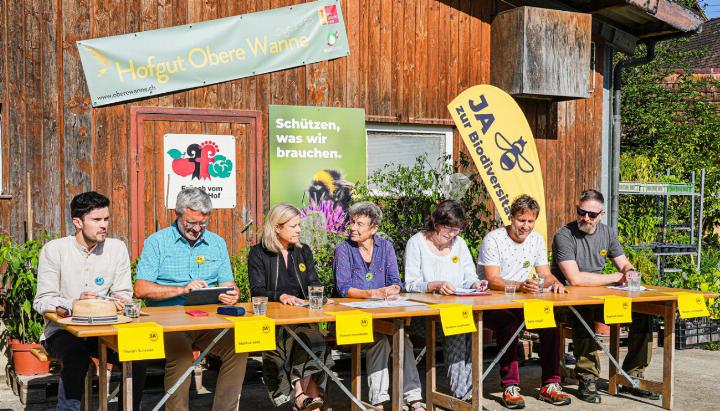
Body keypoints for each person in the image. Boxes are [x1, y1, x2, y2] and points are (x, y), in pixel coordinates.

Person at [134, 187, 247, 411]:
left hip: (209, 320)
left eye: (203, 224)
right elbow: (141, 289)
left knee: (239, 348)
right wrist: (182, 289)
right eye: (191, 223)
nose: (197, 229)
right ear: (178, 214)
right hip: (169, 324)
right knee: (183, 358)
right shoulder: (157, 242)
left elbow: (229, 283)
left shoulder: (217, 242)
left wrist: (233, 293)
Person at [33, 191, 147, 411]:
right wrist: (74, 303)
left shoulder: (116, 248)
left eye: (106, 219)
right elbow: (42, 301)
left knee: (138, 353)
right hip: (63, 330)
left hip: (107, 329)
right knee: (77, 357)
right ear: (77, 222)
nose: (103, 225)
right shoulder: (55, 250)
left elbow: (124, 292)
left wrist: (118, 300)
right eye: (96, 220)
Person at [551, 189, 656, 403]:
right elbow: (575, 278)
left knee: (644, 313)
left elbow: (623, 263)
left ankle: (631, 376)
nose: (585, 218)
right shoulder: (564, 235)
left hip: (599, 298)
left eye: (591, 214)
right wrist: (617, 277)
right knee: (584, 313)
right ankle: (587, 379)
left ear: (602, 215)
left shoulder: (607, 233)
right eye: (581, 212)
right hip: (566, 301)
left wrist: (629, 271)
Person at [477, 195, 571, 409]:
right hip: (492, 303)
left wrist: (555, 283)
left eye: (530, 221)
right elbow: (492, 280)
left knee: (550, 323)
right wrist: (520, 286)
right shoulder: (493, 239)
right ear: (511, 218)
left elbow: (545, 274)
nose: (526, 226)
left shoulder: (536, 239)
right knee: (508, 325)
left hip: (524, 302)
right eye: (521, 220)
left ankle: (550, 384)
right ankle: (510, 387)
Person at [333, 201, 426, 411]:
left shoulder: (386, 247)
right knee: (381, 341)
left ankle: (413, 398)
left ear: (374, 228)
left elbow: (396, 281)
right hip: (351, 319)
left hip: (383, 317)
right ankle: (378, 402)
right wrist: (373, 293)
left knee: (404, 341)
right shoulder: (343, 250)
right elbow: (343, 289)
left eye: (359, 224)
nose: (353, 228)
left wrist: (392, 290)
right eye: (352, 222)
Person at [248, 203, 334, 411]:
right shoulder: (258, 253)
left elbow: (313, 281)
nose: (298, 230)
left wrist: (319, 295)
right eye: (293, 226)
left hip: (303, 315)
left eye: (299, 226)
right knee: (308, 338)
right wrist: (281, 296)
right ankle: (306, 395)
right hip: (274, 321)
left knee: (311, 335)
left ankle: (301, 397)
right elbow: (256, 291)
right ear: (277, 228)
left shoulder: (303, 251)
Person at [404, 200, 486, 401]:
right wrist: (433, 285)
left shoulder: (459, 244)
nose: (452, 234)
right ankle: (463, 396)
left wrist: (476, 284)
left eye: (456, 230)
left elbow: (469, 276)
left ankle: (468, 391)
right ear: (436, 223)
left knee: (473, 329)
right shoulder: (417, 242)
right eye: (448, 228)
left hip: (456, 311)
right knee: (460, 329)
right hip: (423, 317)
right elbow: (409, 284)